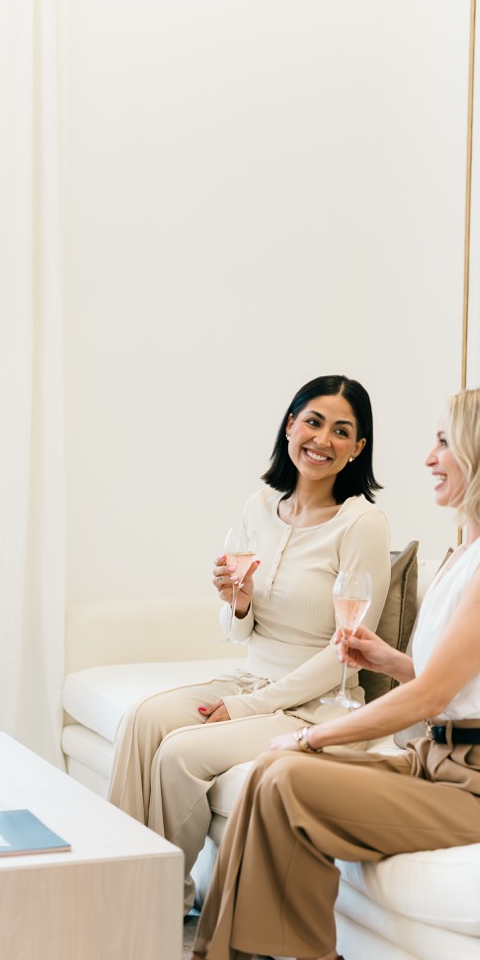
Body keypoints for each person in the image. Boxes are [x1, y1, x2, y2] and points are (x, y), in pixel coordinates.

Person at [180, 384, 480, 960]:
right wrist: (388, 661)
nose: (429, 458)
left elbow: (434, 698)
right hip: (434, 758)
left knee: (288, 769)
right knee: (278, 780)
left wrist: (311, 733)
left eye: (444, 442)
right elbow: (451, 681)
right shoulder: (469, 552)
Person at [107, 374, 391, 914]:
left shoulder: (363, 524)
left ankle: (157, 909)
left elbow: (345, 651)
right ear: (290, 426)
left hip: (314, 704)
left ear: (358, 448)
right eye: (312, 421)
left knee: (180, 753)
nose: (322, 439)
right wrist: (237, 602)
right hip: (251, 676)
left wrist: (245, 707)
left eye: (341, 431)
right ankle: (117, 883)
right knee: (141, 720)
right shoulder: (259, 506)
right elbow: (238, 629)